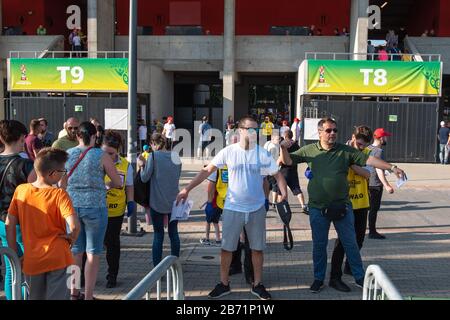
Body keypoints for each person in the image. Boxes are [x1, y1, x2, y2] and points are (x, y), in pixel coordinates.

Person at [279, 118, 406, 293]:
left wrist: (392, 168)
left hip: (343, 207)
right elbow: (287, 161)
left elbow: (370, 160)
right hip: (318, 207)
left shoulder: (345, 151)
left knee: (351, 244)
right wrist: (283, 147)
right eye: (329, 130)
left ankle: (360, 278)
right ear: (320, 132)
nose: (333, 134)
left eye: (335, 130)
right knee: (319, 245)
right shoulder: (309, 150)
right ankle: (318, 279)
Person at [176, 116, 288, 301]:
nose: (254, 133)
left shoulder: (262, 153)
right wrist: (187, 189)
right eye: (250, 129)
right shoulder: (228, 152)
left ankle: (257, 284)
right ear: (240, 131)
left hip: (256, 209)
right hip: (232, 208)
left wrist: (283, 193)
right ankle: (224, 284)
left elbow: (278, 175)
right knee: (227, 248)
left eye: (256, 130)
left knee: (257, 249)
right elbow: (206, 171)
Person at [6, 148, 80, 300]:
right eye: (63, 171)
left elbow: (9, 223)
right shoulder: (59, 194)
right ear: (53, 174)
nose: (64, 173)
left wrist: (14, 253)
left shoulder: (21, 191)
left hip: (32, 259)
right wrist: (71, 238)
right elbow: (74, 226)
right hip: (59, 256)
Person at [63, 122, 122, 300]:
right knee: (93, 252)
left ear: (77, 136)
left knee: (75, 252)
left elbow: (61, 183)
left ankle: (73, 293)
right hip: (96, 207)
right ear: (94, 136)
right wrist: (106, 185)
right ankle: (88, 295)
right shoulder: (101, 155)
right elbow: (118, 182)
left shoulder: (67, 154)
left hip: (72, 208)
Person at [329, 126, 372, 292]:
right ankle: (335, 277)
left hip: (362, 202)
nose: (362, 148)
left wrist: (351, 163)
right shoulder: (340, 150)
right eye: (359, 144)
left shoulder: (366, 153)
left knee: (359, 239)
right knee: (342, 242)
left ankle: (350, 267)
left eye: (364, 145)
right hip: (344, 203)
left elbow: (368, 174)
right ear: (353, 137)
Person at [0, 120, 36, 300]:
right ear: (22, 138)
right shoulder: (27, 165)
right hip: (23, 222)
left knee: (10, 267)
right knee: (28, 267)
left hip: (2, 221)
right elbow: (35, 195)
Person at [138, 133, 182, 267]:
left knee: (158, 235)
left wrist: (141, 165)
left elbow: (144, 177)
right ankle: (175, 264)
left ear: (153, 144)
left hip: (157, 201)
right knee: (174, 233)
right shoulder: (176, 156)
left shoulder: (153, 156)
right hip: (174, 200)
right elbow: (177, 176)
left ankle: (157, 267)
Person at [102, 130, 135, 288]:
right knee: (89, 244)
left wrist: (131, 202)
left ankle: (112, 275)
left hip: (116, 211)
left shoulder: (125, 165)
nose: (108, 156)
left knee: (112, 244)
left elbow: (129, 186)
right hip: (97, 209)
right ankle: (80, 276)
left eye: (112, 153)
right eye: (105, 152)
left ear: (118, 150)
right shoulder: (95, 162)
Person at [367, 128, 395, 240]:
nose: (387, 138)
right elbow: (379, 169)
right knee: (374, 209)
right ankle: (372, 232)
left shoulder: (367, 148)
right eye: (386, 136)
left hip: (366, 182)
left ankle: (360, 230)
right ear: (381, 138)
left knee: (364, 209)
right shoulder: (379, 151)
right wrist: (387, 185)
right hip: (375, 184)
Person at [277, 130, 308, 214]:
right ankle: (303, 206)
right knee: (296, 189)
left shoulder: (283, 144)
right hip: (293, 169)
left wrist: (276, 166)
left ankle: (282, 207)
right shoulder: (296, 144)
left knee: (281, 191)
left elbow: (281, 158)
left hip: (284, 170)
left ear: (284, 135)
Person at [264, 133, 281, 206]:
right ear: (273, 139)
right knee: (275, 185)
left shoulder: (267, 143)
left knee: (267, 184)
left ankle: (266, 199)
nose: (279, 140)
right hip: (272, 167)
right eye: (277, 139)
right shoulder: (274, 147)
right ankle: (274, 201)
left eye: (279, 139)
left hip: (265, 167)